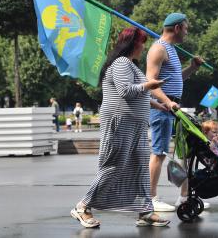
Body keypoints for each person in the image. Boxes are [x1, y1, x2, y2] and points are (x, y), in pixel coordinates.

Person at [70, 27, 169, 228]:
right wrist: (150, 85)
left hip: (135, 125)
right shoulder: (121, 63)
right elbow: (125, 91)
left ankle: (145, 211)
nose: (144, 47)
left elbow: (138, 94)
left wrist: (159, 104)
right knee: (114, 165)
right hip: (120, 123)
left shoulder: (131, 65)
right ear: (133, 43)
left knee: (140, 166)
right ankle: (83, 206)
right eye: (142, 42)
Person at [146, 13, 204, 212]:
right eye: (186, 28)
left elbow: (175, 79)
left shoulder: (171, 49)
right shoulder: (158, 49)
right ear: (178, 27)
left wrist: (192, 69)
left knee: (182, 153)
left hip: (173, 107)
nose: (187, 32)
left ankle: (184, 196)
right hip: (163, 108)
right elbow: (151, 84)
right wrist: (168, 102)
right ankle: (151, 198)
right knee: (159, 152)